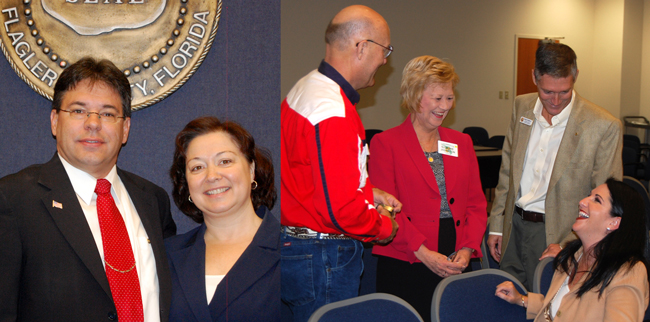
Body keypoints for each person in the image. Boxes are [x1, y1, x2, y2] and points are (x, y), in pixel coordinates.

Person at [0, 57, 177, 322]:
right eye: (79, 111)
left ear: (125, 128)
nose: (93, 123)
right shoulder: (14, 199)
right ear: (54, 121)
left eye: (107, 113)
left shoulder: (153, 200)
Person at [281, 5, 400, 321]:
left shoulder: (305, 88)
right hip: (324, 257)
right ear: (362, 47)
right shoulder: (331, 110)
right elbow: (340, 209)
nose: (386, 60)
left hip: (303, 250)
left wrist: (369, 193)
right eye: (385, 50)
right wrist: (384, 227)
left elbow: (309, 174)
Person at [487, 42, 623, 290]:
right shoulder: (521, 106)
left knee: (544, 307)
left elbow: (607, 200)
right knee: (507, 300)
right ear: (534, 78)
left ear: (576, 76)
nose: (556, 101)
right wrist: (497, 224)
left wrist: (568, 243)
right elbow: (507, 171)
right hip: (513, 226)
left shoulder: (603, 125)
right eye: (548, 92)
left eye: (565, 91)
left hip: (558, 233)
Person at [369, 55, 487, 321]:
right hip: (406, 256)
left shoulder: (461, 142)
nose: (444, 106)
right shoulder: (386, 144)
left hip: (456, 255)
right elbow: (387, 209)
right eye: (437, 98)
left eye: (449, 97)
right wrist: (424, 253)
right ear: (413, 96)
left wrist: (467, 249)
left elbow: (476, 204)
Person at [165, 116, 279, 322]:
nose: (212, 176)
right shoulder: (166, 255)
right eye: (197, 167)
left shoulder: (295, 250)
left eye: (225, 161)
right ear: (187, 183)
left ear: (251, 170)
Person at [496, 178, 649, 321]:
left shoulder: (628, 272)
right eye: (588, 196)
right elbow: (564, 308)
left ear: (614, 222)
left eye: (596, 200)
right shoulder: (574, 256)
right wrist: (522, 299)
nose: (582, 202)